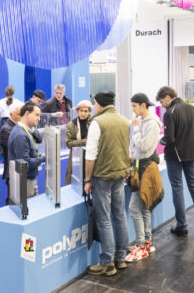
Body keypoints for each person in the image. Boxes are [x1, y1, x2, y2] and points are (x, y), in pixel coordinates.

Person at [84, 91, 130, 276]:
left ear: (99, 104)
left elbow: (90, 154)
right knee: (120, 216)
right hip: (119, 175)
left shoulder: (97, 122)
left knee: (104, 219)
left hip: (102, 176)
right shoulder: (124, 121)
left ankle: (107, 262)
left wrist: (87, 179)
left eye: (94, 103)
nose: (94, 107)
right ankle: (121, 258)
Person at [156, 86, 194, 235]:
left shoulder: (170, 112)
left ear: (168, 97)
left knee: (177, 189)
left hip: (175, 155)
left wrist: (161, 141)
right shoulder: (191, 107)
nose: (161, 105)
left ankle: (182, 225)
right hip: (191, 152)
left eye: (161, 101)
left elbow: (169, 138)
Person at [126, 93, 162, 263]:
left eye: (134, 106)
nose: (133, 110)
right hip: (142, 167)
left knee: (134, 208)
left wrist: (136, 129)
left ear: (142, 105)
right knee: (144, 206)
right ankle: (147, 242)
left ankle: (141, 246)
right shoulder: (144, 122)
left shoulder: (151, 124)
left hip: (146, 169)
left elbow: (144, 147)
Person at [8, 101, 45, 198]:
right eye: (36, 115)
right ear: (27, 114)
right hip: (24, 181)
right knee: (26, 212)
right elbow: (25, 163)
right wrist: (43, 158)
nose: (39, 118)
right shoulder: (20, 135)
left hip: (28, 180)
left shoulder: (25, 131)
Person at [0, 102, 21, 204]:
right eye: (19, 114)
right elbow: (16, 149)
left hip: (20, 169)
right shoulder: (6, 129)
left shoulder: (19, 126)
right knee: (13, 201)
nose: (21, 117)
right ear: (11, 114)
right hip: (12, 170)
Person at [65, 100, 92, 185]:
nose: (83, 113)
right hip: (76, 156)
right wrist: (86, 141)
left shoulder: (94, 123)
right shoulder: (71, 125)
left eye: (85, 111)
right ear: (77, 111)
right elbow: (69, 143)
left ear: (89, 112)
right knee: (75, 182)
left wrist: (77, 142)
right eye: (81, 111)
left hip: (91, 156)